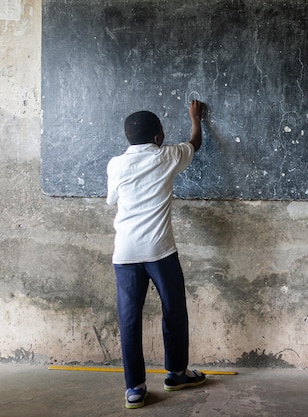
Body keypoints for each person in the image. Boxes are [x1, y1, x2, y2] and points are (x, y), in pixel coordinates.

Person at [106, 100, 206, 409]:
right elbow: (195, 143)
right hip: (160, 250)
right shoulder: (168, 156)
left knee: (129, 318)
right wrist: (195, 119)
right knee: (173, 310)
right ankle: (176, 373)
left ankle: (134, 389)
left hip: (125, 253)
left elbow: (112, 201)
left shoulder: (115, 164)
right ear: (159, 137)